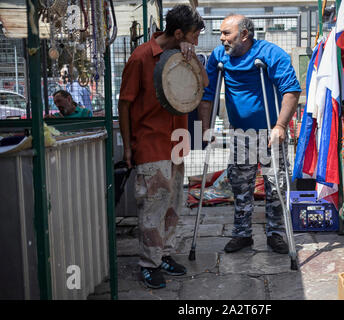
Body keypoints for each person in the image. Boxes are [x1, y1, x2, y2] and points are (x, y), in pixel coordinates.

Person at [118, 4, 208, 289]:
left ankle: (165, 254)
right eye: (193, 36)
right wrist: (129, 147)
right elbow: (125, 103)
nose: (196, 42)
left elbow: (203, 85)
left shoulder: (185, 55)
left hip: (177, 140)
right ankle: (149, 263)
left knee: (174, 203)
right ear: (179, 32)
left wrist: (194, 60)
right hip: (150, 139)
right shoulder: (142, 57)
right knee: (153, 204)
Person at [198, 14, 301, 254]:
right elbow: (207, 95)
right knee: (240, 184)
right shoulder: (219, 56)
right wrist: (206, 128)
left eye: (226, 33)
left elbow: (291, 90)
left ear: (244, 35)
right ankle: (242, 234)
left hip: (270, 132)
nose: (221, 38)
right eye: (221, 33)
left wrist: (281, 126)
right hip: (241, 134)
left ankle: (275, 233)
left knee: (275, 183)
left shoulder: (271, 54)